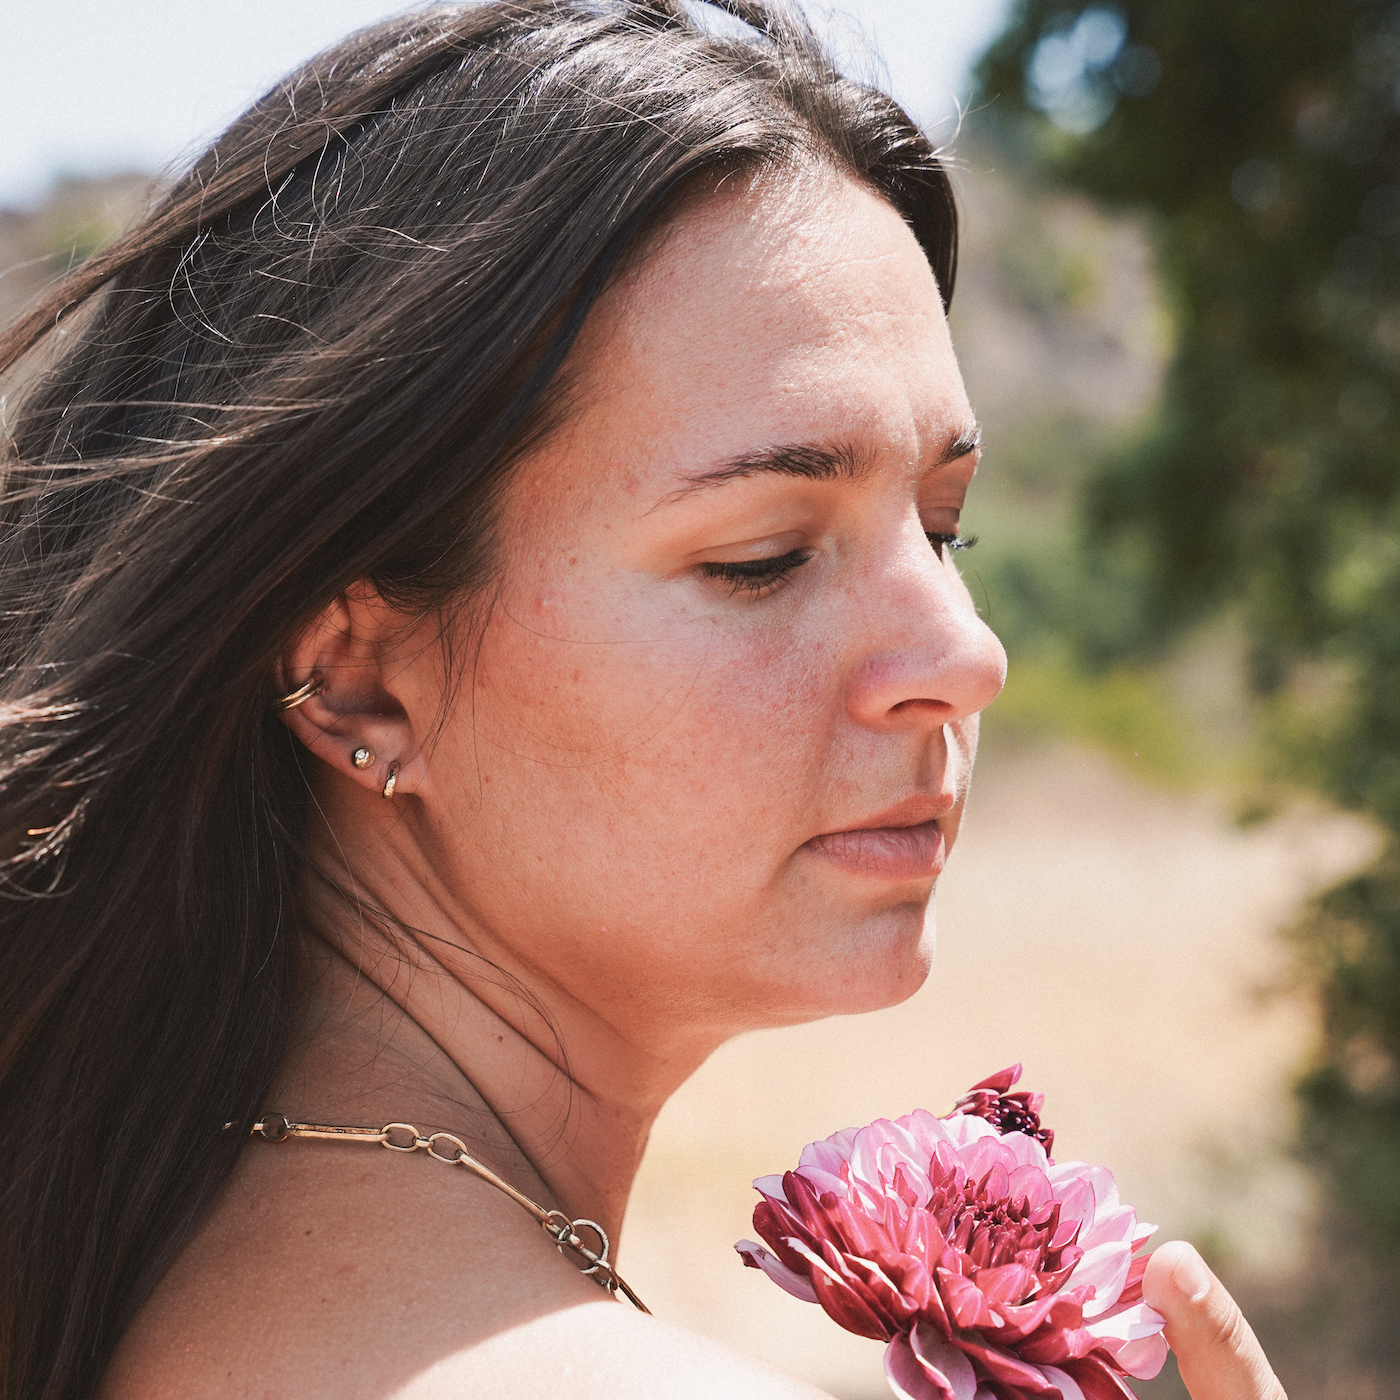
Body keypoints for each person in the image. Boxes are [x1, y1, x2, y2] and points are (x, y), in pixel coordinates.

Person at [0, 3, 1286, 1397]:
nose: (966, 654)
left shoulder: (151, 1273)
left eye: (943, 525)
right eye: (763, 557)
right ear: (360, 678)